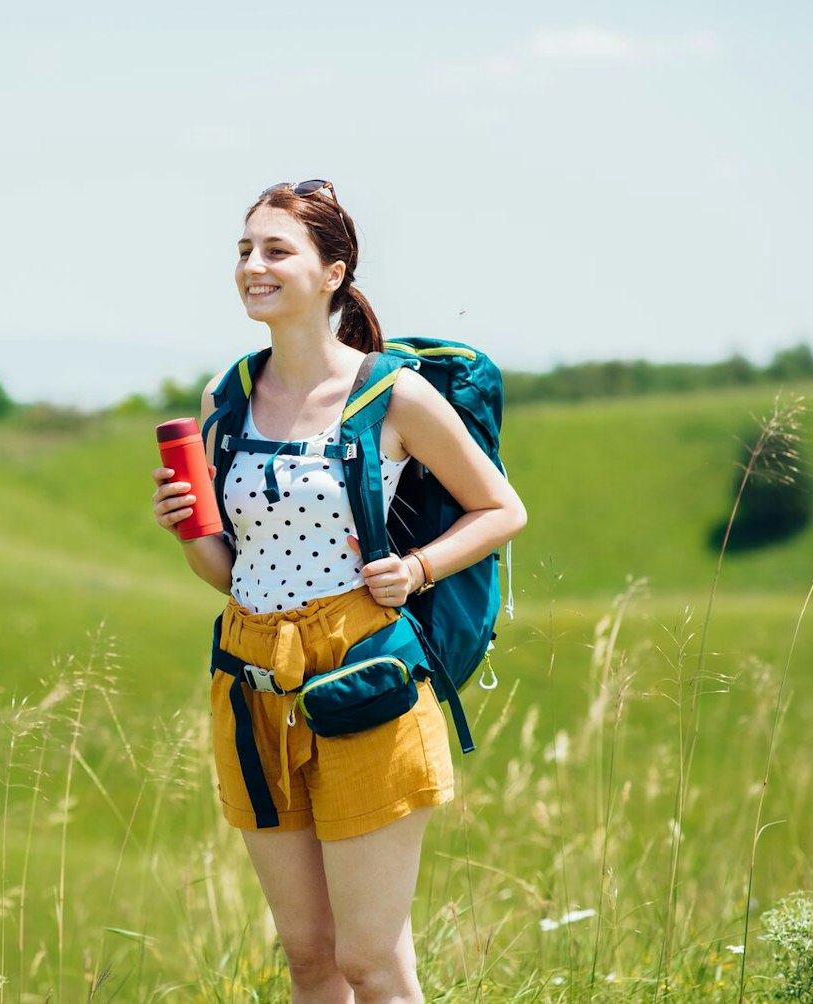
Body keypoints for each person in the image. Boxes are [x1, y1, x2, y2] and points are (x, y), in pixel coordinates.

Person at [151, 180, 527, 1001]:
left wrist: (420, 568)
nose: (254, 265)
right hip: (249, 680)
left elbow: (503, 509)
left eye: (277, 250)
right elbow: (229, 570)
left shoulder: (391, 393)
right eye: (245, 250)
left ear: (333, 272)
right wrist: (188, 530)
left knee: (371, 962)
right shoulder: (228, 399)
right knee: (309, 960)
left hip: (363, 678)